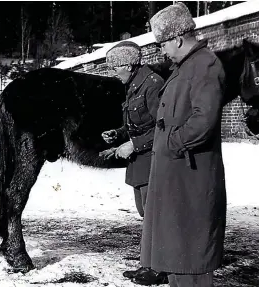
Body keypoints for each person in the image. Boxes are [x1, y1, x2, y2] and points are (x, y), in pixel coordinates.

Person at [137, 3, 227, 286]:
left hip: (190, 178)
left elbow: (204, 119)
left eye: (162, 43)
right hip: (177, 177)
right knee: (177, 255)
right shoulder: (186, 66)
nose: (161, 50)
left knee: (190, 257)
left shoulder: (204, 65)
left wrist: (172, 144)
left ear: (176, 38)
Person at [99, 41, 167, 285]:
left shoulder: (153, 84)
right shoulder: (134, 85)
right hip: (140, 162)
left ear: (128, 65)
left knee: (155, 217)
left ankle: (158, 268)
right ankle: (147, 264)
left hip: (154, 160)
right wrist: (118, 134)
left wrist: (134, 145)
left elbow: (164, 127)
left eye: (115, 68)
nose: (113, 73)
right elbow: (139, 123)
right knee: (145, 214)